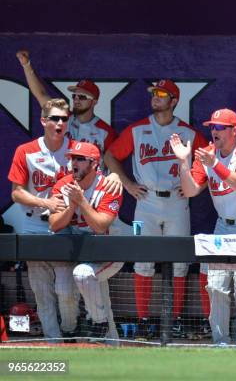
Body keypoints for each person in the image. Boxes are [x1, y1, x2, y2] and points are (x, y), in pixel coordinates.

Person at [104, 79, 208, 340]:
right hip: (146, 202)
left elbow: (209, 160)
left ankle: (174, 320)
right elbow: (109, 156)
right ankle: (143, 320)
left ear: (174, 101)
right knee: (142, 261)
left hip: (177, 201)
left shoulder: (189, 132)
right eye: (154, 93)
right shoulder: (138, 129)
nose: (155, 97)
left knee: (181, 264)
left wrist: (197, 185)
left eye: (162, 94)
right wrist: (127, 184)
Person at [171, 108, 236, 345]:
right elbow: (191, 190)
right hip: (223, 226)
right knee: (215, 286)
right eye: (212, 127)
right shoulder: (207, 154)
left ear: (234, 130)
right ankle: (220, 342)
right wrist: (183, 162)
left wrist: (215, 165)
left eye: (220, 127)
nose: (214, 132)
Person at [7, 98, 80, 341]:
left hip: (65, 225)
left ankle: (70, 330)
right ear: (43, 121)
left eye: (64, 118)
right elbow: (16, 192)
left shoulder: (77, 150)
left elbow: (95, 179)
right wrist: (45, 202)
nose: (60, 123)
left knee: (66, 290)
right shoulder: (25, 151)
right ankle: (54, 343)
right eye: (55, 118)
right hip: (34, 224)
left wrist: (114, 177)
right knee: (42, 292)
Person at [48, 142, 123, 341]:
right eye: (72, 158)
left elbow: (100, 226)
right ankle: (71, 332)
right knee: (64, 286)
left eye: (80, 159)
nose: (74, 163)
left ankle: (99, 324)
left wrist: (81, 201)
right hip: (79, 251)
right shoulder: (63, 184)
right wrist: (71, 207)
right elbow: (54, 225)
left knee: (82, 275)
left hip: (109, 251)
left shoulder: (109, 185)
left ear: (94, 164)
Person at [16, 51, 118, 172]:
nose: (76, 99)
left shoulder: (106, 132)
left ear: (94, 102)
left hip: (91, 187)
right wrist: (26, 65)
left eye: (82, 97)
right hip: (62, 183)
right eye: (74, 96)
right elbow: (41, 95)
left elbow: (113, 165)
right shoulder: (62, 118)